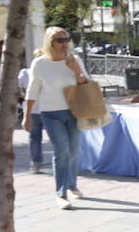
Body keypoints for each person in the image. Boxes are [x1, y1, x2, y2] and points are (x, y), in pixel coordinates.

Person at [23, 26, 90, 208]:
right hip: (51, 113)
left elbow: (87, 84)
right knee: (61, 152)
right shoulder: (40, 63)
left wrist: (77, 70)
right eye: (60, 40)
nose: (64, 44)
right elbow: (33, 90)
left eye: (67, 39)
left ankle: (72, 185)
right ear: (49, 42)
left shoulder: (74, 60)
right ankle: (61, 194)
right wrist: (27, 116)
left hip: (75, 111)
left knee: (74, 152)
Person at [17, 61, 45, 174]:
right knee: (57, 139)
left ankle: (35, 165)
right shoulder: (49, 72)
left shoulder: (25, 73)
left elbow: (17, 85)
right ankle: (64, 163)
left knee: (34, 137)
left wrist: (21, 94)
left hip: (32, 109)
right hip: (49, 108)